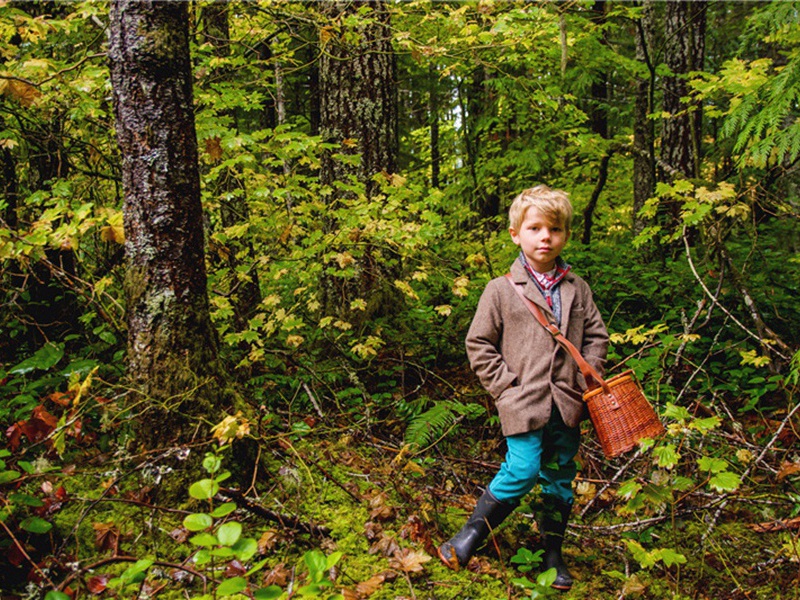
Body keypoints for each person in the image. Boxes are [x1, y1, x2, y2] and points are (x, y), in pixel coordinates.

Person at [437, 185, 609, 590]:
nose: (545, 237)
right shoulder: (500, 290)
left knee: (559, 475)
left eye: (555, 229)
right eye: (535, 228)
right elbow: (478, 343)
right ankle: (471, 535)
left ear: (566, 235)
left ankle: (553, 553)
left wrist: (589, 374)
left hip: (568, 402)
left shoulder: (576, 289)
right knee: (523, 467)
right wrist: (505, 388)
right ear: (516, 233)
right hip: (522, 400)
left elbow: (597, 336)